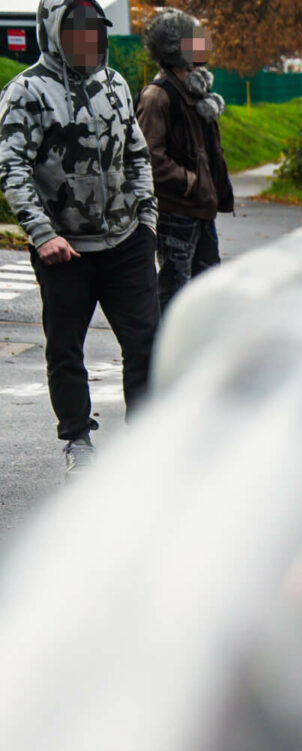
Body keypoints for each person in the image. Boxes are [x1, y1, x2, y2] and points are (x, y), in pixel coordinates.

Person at [0, 0, 158, 477]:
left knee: (147, 343)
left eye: (94, 31)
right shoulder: (27, 91)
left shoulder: (116, 85)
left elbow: (137, 154)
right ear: (54, 33)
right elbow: (12, 167)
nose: (87, 40)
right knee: (66, 347)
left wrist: (147, 218)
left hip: (126, 239)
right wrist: (41, 232)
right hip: (64, 248)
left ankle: (147, 442)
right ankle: (78, 441)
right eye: (76, 31)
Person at [136, 8, 233, 314]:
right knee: (175, 295)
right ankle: (169, 358)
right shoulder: (158, 97)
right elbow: (148, 157)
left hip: (201, 211)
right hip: (176, 212)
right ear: (175, 48)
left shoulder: (197, 94)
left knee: (208, 295)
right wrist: (192, 183)